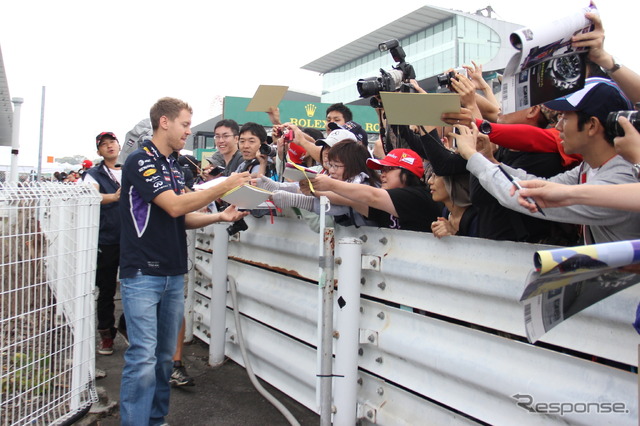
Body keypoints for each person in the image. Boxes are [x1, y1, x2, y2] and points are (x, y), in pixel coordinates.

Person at [118, 97, 250, 426]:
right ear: (164, 122)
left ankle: (157, 420)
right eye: (185, 125)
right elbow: (175, 206)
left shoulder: (172, 165)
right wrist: (226, 183)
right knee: (143, 358)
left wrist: (220, 215)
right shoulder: (140, 160)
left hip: (173, 272)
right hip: (142, 274)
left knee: (164, 360)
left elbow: (182, 217)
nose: (189, 132)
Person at [456, 81, 640, 244]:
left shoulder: (623, 177)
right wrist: (489, 160)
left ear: (591, 125)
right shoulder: (589, 168)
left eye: (565, 118)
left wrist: (472, 156)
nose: (558, 126)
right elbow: (539, 185)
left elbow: (528, 198)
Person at [310, 148, 441, 232]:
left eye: (389, 169)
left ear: (408, 173)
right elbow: (351, 200)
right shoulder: (386, 201)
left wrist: (330, 184)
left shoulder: (417, 196)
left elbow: (372, 196)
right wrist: (312, 188)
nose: (383, 174)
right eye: (382, 170)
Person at [82, 131, 123, 355]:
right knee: (106, 289)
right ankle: (106, 335)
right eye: (104, 145)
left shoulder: (131, 168)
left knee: (137, 287)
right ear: (98, 151)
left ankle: (130, 330)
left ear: (119, 145)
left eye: (112, 142)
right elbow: (92, 197)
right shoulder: (93, 174)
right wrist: (115, 197)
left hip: (134, 239)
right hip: (106, 239)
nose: (109, 147)